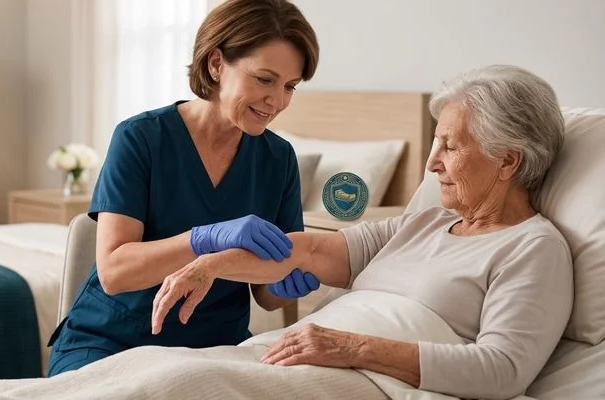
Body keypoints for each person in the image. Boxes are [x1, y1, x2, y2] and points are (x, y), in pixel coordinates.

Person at [152, 64, 572, 400]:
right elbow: (309, 249)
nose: (432, 164)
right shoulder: (426, 222)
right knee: (153, 372)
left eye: (452, 146)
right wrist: (208, 265)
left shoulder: (532, 248)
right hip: (297, 357)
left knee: (175, 388)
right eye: (435, 144)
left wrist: (350, 348)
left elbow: (503, 370)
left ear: (508, 162)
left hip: (364, 379)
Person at [46, 0, 321, 375]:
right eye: (264, 79)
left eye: (289, 86)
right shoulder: (141, 138)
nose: (277, 100)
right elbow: (114, 271)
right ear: (216, 64)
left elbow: (266, 296)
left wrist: (286, 283)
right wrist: (205, 239)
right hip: (111, 341)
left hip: (214, 349)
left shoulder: (279, 158)